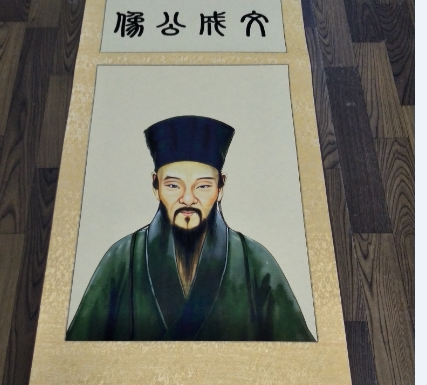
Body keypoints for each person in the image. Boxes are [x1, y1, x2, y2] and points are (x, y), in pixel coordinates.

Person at [66, 115, 316, 342]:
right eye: (173, 186)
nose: (187, 199)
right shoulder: (122, 258)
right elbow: (76, 352)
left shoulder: (256, 262)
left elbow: (300, 358)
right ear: (155, 186)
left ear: (221, 187)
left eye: (203, 186)